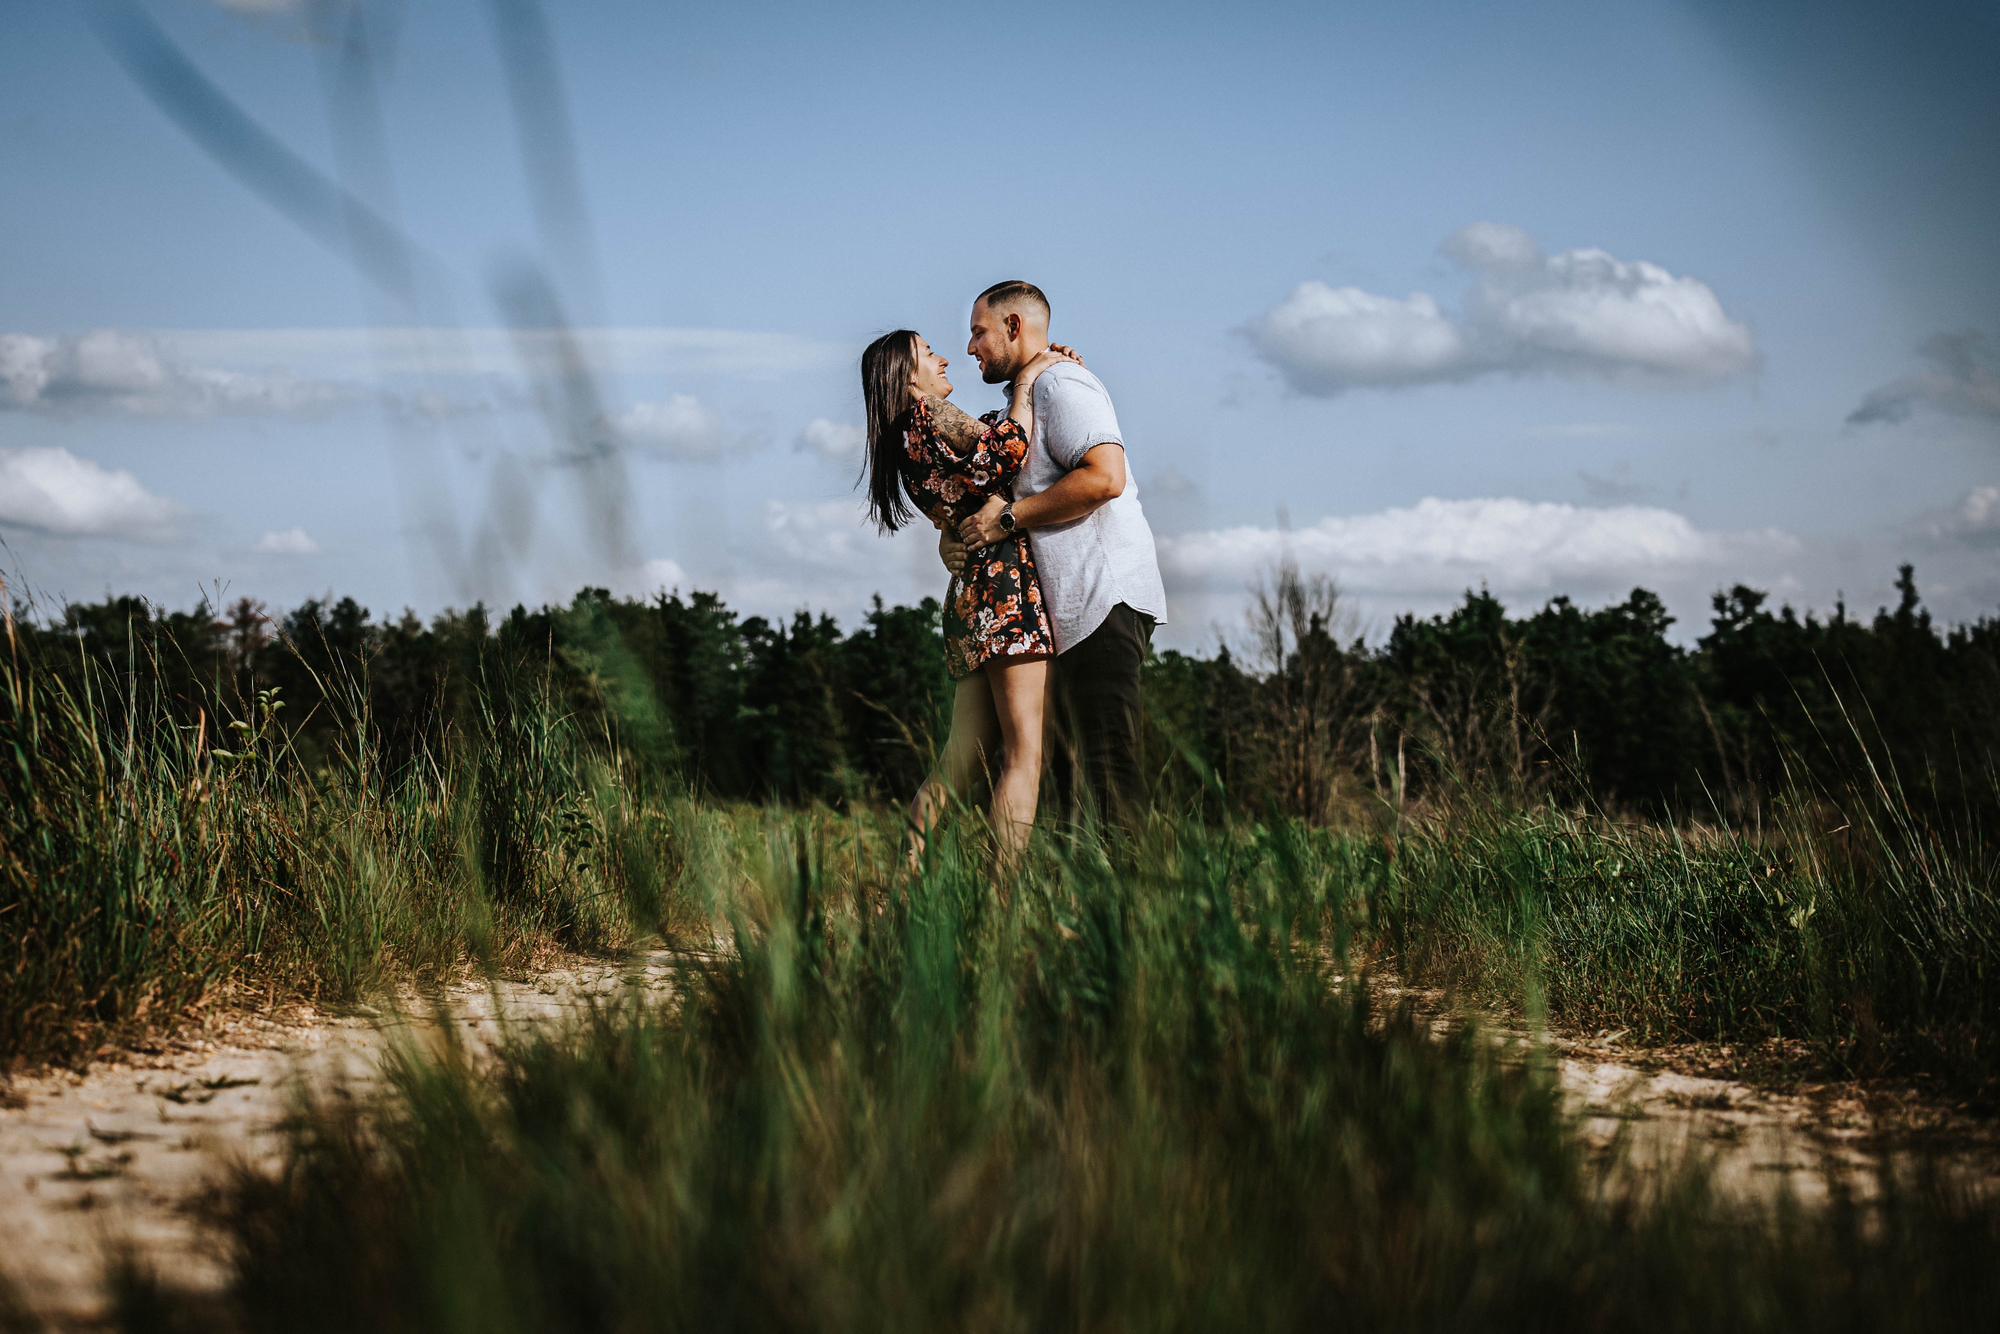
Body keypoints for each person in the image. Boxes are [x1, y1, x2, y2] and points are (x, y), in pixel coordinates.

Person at [946, 280, 1168, 837]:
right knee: (1069, 784)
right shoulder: (1027, 395)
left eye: (978, 332)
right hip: (1065, 614)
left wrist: (1008, 518)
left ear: (1013, 326)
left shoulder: (1062, 384)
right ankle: (1075, 895)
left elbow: (1105, 477)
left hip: (1102, 599)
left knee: (1108, 771)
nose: (970, 347)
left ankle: (1138, 894)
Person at [859, 328, 1082, 866]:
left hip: (968, 598)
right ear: (907, 378)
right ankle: (1001, 896)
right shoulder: (929, 414)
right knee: (1026, 753)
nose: (943, 360)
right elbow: (1005, 452)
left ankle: (902, 885)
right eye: (928, 353)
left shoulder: (905, 437)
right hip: (1005, 591)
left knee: (957, 764)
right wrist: (1029, 379)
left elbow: (973, 464)